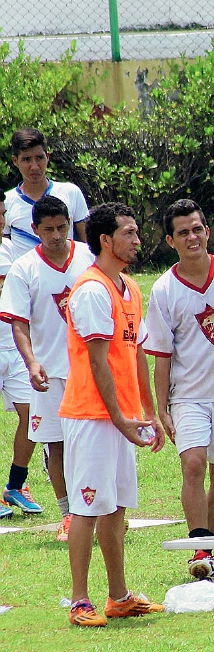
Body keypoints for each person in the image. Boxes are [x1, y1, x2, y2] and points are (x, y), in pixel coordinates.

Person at [59, 202, 166, 626]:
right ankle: (79, 601)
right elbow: (99, 361)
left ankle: (118, 596)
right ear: (106, 240)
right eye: (130, 233)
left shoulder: (130, 288)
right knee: (86, 508)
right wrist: (120, 418)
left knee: (116, 506)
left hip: (121, 417)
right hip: (91, 416)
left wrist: (149, 413)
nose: (138, 241)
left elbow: (135, 354)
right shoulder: (90, 290)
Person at [144, 199, 214, 581]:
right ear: (170, 240)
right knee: (193, 464)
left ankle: (209, 552)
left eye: (197, 229)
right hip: (189, 395)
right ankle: (200, 547)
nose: (192, 237)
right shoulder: (163, 289)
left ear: (207, 231)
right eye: (183, 232)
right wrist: (163, 408)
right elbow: (161, 355)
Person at [0, 195, 96, 540]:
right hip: (50, 373)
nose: (56, 235)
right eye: (48, 229)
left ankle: (101, 508)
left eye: (62, 227)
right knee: (56, 445)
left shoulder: (89, 258)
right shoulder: (25, 268)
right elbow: (18, 322)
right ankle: (69, 514)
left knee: (94, 443)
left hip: (90, 370)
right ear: (34, 229)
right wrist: (32, 362)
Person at [0, 197, 40, 518]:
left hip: (13, 346)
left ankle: (15, 486)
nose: (1, 220)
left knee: (32, 416)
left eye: (2, 214)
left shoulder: (13, 252)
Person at [3, 128, 89, 261]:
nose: (35, 166)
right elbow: (4, 252)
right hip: (27, 280)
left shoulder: (71, 192)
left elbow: (88, 245)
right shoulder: (6, 202)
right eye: (27, 160)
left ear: (47, 157)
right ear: (15, 161)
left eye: (39, 158)